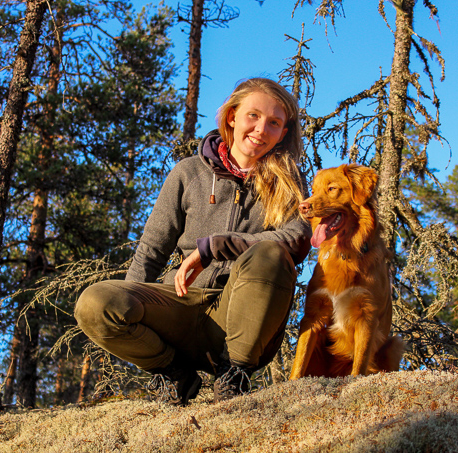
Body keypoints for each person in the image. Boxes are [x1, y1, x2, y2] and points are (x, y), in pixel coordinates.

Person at [74, 78, 311, 406]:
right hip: (179, 305)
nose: (261, 128)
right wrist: (132, 309)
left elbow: (296, 239)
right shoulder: (188, 173)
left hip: (241, 320)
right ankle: (173, 374)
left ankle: (233, 377)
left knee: (270, 253)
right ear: (231, 117)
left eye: (274, 122)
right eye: (253, 115)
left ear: (283, 133)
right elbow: (151, 250)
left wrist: (213, 246)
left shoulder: (289, 182)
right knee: (95, 303)